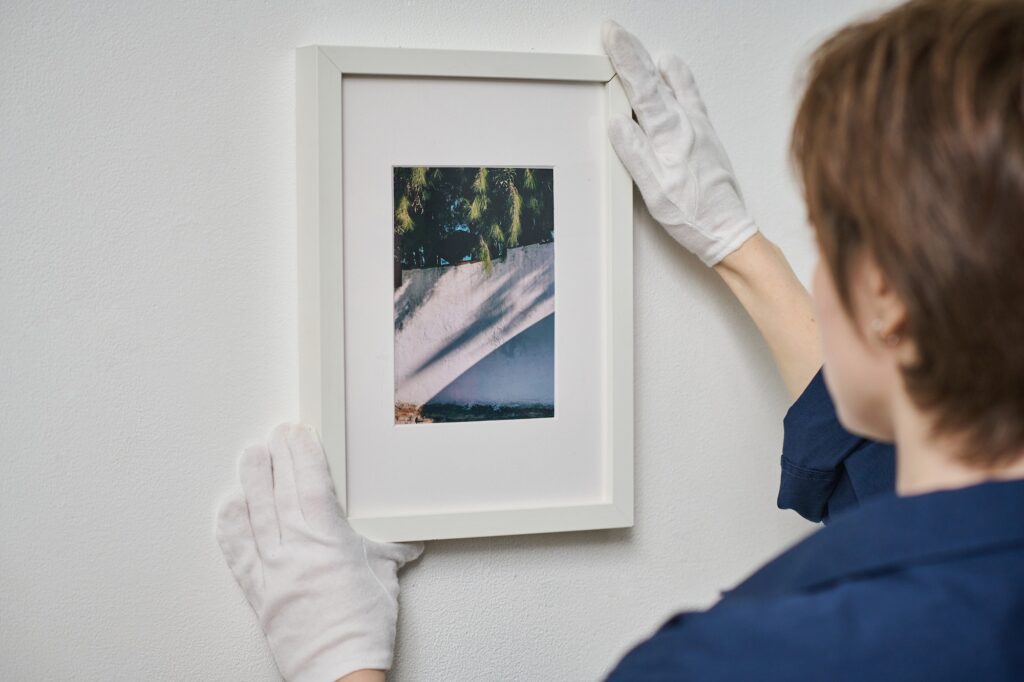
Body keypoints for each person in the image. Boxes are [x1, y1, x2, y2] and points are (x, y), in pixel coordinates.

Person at [215, 0, 1024, 679]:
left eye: (828, 237)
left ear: (883, 297)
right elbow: (913, 479)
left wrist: (340, 658)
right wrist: (740, 247)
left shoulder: (751, 662)